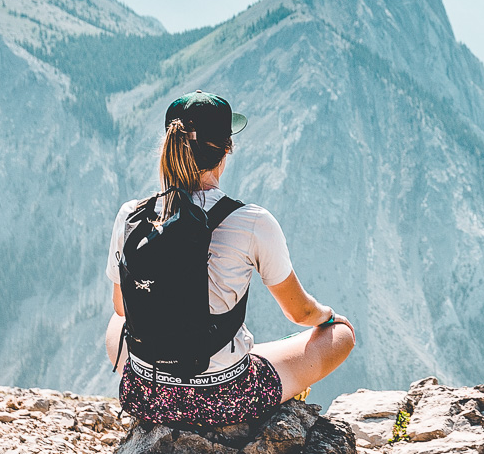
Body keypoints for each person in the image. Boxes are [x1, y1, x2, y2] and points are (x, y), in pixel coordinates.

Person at [104, 90, 354, 426]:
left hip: (145, 395)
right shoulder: (252, 222)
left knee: (116, 321)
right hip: (222, 398)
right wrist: (328, 317)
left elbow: (122, 308)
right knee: (341, 334)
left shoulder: (131, 215)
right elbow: (300, 313)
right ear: (226, 150)